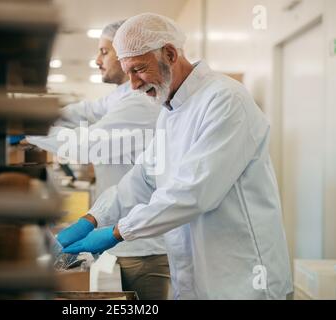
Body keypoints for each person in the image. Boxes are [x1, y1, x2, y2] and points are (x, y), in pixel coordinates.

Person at [59, 13, 293, 300]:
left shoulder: (225, 100)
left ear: (169, 53)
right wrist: (93, 218)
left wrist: (118, 232)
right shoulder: (170, 109)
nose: (133, 84)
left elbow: (193, 192)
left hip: (242, 279)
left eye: (139, 69)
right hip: (196, 278)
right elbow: (144, 177)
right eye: (127, 72)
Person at [26, 20, 170, 300]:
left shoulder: (140, 100)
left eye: (104, 51)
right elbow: (84, 111)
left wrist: (27, 132)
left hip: (142, 246)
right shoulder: (120, 96)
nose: (97, 60)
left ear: (126, 52)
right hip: (123, 233)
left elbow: (89, 144)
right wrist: (35, 116)